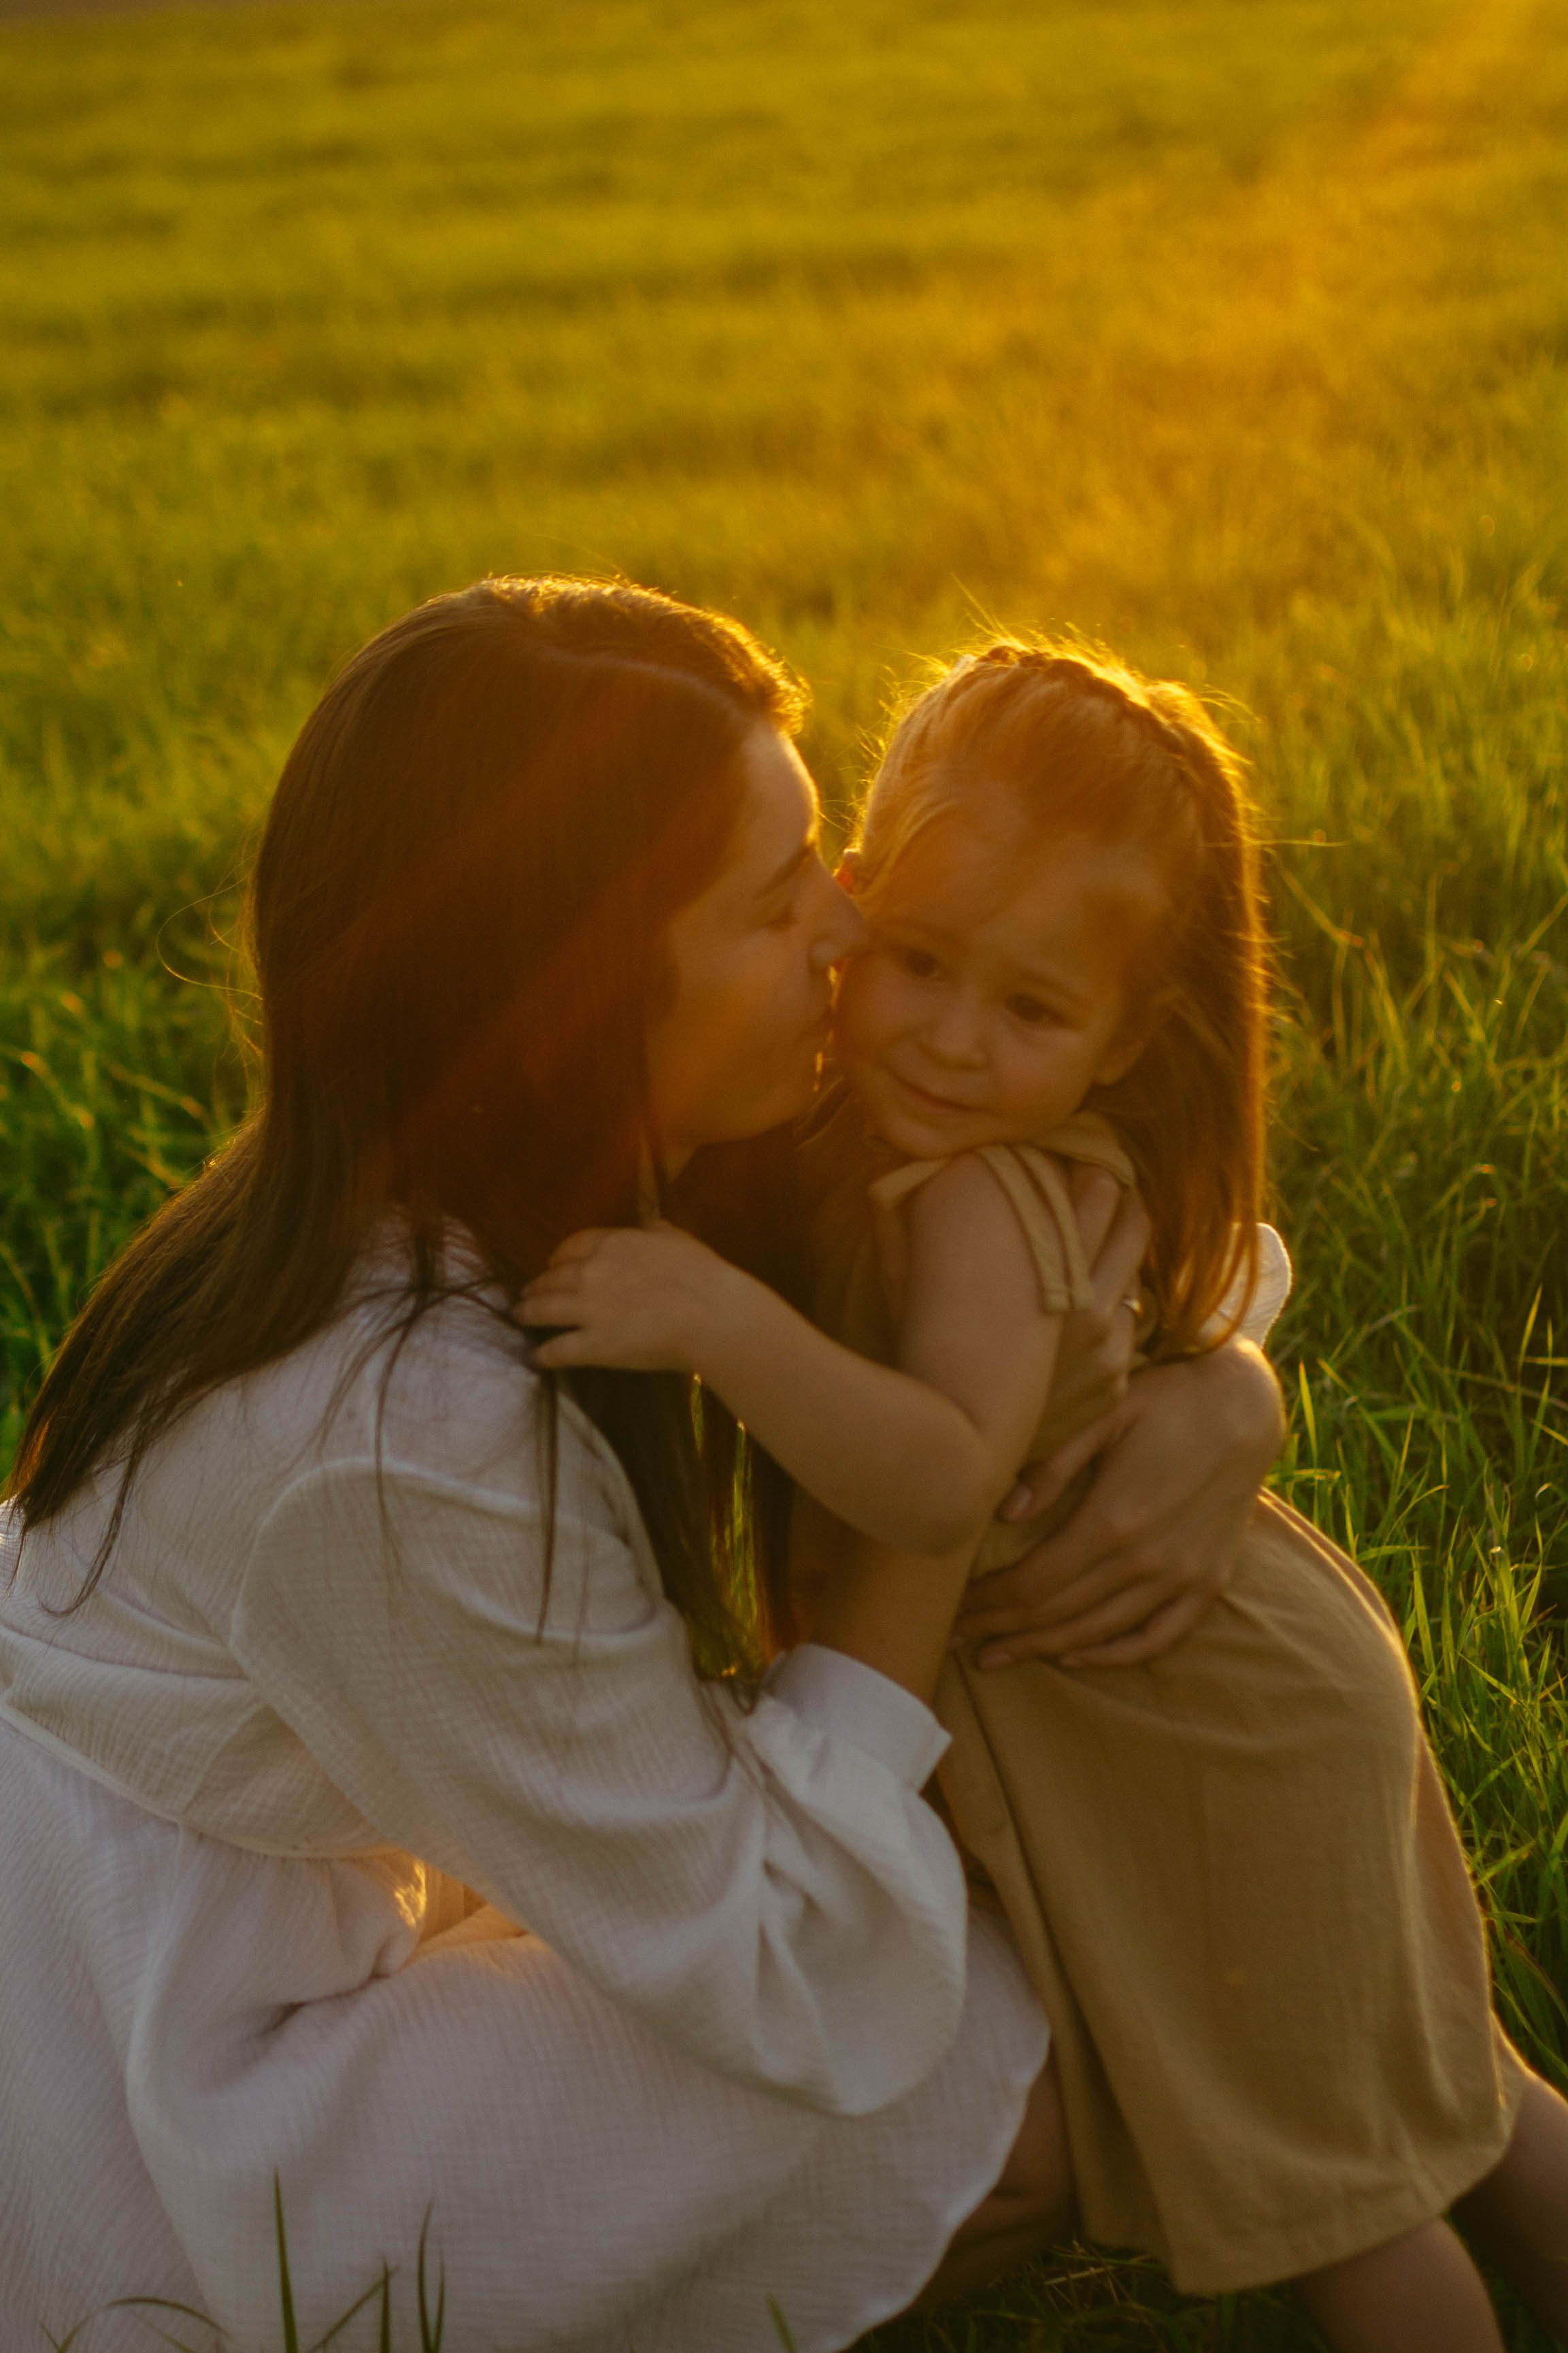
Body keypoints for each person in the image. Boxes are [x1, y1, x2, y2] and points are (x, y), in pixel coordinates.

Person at [0, 577, 1280, 2352]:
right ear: (579, 995)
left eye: (820, 852)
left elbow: (1071, 1250)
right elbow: (796, 1972)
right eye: (775, 897)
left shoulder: (535, 1155)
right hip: (159, 2093)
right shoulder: (402, 1430)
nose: (850, 922)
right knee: (1042, 2061)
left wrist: (1227, 1394)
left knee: (1018, 1981)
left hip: (284, 1925)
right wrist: (934, 1511)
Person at [523, 639, 1568, 2350]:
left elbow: (940, 1473)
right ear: (852, 905)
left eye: (1028, 1010)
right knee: (1454, 2087)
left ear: (1126, 1035)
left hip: (1200, 1711)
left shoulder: (981, 1201)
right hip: (1191, 1683)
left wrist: (718, 1326)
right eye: (921, 962)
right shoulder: (876, 1140)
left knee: (1345, 2185)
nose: (947, 1038)